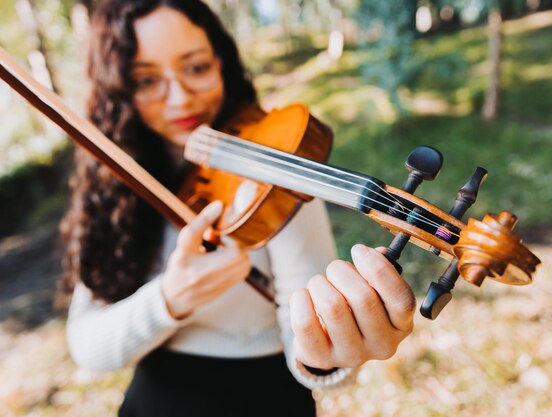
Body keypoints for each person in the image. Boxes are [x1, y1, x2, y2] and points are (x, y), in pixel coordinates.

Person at [60, 1, 417, 416]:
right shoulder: (115, 185)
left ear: (220, 64)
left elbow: (308, 339)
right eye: (146, 80)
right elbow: (87, 348)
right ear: (119, 90)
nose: (180, 98)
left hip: (262, 397)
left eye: (195, 68)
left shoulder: (270, 164)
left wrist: (327, 351)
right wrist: (170, 299)